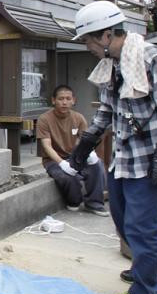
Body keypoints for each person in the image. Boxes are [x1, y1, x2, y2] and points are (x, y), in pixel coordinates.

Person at [69, 0, 157, 294]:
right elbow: (106, 111)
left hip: (150, 161)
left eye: (89, 41)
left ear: (106, 35)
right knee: (121, 217)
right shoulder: (113, 66)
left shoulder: (150, 57)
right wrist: (86, 143)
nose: (88, 47)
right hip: (124, 158)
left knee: (142, 228)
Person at [36, 85, 109, 216]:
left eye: (68, 98)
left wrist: (88, 154)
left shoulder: (79, 118)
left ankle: (94, 203)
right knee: (69, 177)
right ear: (53, 100)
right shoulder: (44, 119)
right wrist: (62, 163)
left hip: (75, 157)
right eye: (61, 99)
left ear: (73, 100)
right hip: (53, 160)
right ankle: (74, 201)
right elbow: (46, 146)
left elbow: (82, 142)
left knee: (97, 165)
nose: (64, 102)